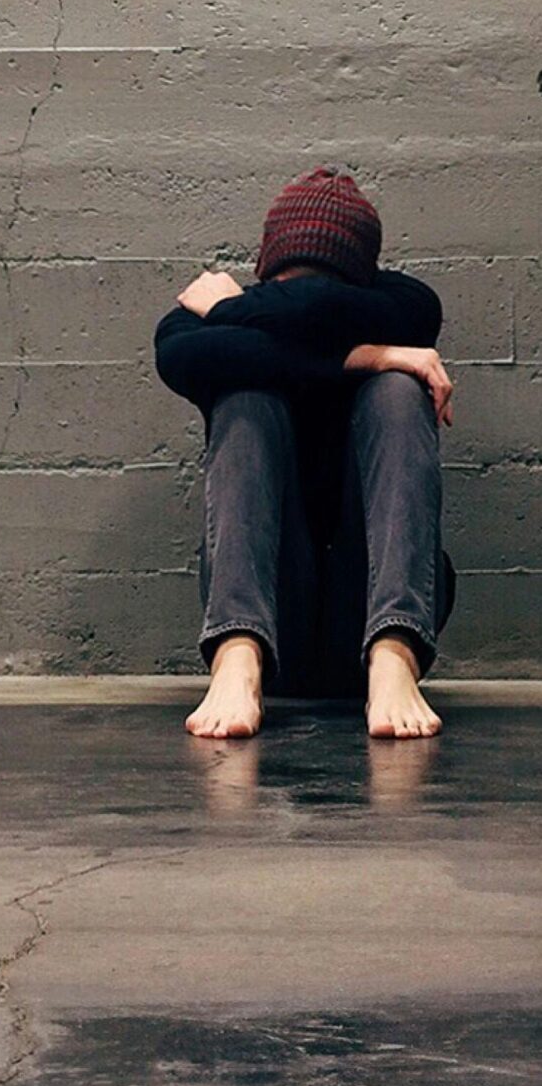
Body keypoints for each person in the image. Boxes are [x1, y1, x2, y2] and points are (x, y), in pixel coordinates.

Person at [154, 166, 456, 741]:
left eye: (326, 281)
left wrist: (235, 308)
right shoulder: (195, 326)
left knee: (399, 389)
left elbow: (319, 308)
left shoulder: (404, 304)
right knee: (244, 393)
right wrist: (368, 355)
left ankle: (395, 654)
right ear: (268, 273)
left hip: (369, 611)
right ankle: (235, 656)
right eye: (288, 281)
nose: (304, 294)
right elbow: (181, 357)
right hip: (272, 623)